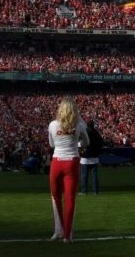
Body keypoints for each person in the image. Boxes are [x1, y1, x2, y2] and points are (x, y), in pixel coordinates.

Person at [48, 98, 89, 243]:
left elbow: (51, 144)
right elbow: (87, 142)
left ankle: (58, 231)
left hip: (57, 162)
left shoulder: (53, 124)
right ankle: (67, 235)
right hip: (72, 161)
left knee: (56, 197)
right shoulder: (78, 124)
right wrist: (77, 143)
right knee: (70, 199)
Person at [80, 120, 103, 195]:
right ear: (93, 125)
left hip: (85, 157)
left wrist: (80, 151)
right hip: (94, 156)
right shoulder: (96, 133)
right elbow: (101, 142)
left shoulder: (84, 132)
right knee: (94, 175)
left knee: (84, 175)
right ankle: (95, 191)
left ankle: (84, 191)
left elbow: (80, 142)